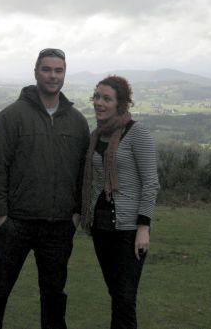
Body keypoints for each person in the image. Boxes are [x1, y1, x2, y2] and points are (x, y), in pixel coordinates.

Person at [0, 48, 90, 329]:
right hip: (16, 223)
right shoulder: (11, 116)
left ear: (64, 74)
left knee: (54, 297)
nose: (53, 76)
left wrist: (76, 214)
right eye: (47, 69)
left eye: (58, 70)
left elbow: (84, 174)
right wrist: (0, 215)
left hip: (58, 227)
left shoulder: (77, 122)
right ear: (35, 72)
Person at [81, 75, 159, 329]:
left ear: (120, 103)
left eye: (106, 98)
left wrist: (143, 227)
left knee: (125, 299)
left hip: (128, 230)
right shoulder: (96, 136)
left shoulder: (137, 133)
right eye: (97, 97)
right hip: (101, 228)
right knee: (116, 295)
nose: (99, 103)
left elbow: (151, 183)